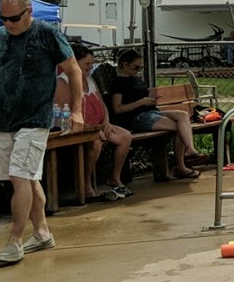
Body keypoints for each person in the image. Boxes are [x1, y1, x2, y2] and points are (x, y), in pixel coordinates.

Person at [0, 0, 81, 265]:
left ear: (29, 12)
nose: (8, 24)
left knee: (19, 176)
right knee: (27, 177)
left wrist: (76, 110)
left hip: (35, 119)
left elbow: (73, 69)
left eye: (14, 18)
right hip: (5, 120)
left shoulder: (47, 34)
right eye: (3, 18)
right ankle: (41, 233)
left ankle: (15, 240)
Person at [107, 48, 202, 179]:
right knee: (179, 127)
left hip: (150, 111)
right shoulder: (118, 83)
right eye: (135, 67)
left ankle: (190, 149)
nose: (138, 71)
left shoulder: (136, 79)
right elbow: (118, 108)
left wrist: (151, 100)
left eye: (140, 68)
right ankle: (181, 166)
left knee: (183, 115)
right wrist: (141, 102)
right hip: (136, 118)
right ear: (124, 65)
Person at [62, 43, 133, 200]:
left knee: (125, 136)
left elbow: (102, 105)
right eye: (87, 64)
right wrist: (93, 129)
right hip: (80, 129)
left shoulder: (90, 80)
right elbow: (65, 112)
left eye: (92, 63)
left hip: (99, 125)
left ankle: (114, 177)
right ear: (75, 62)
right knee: (95, 142)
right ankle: (86, 184)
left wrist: (106, 122)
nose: (90, 67)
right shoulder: (63, 81)